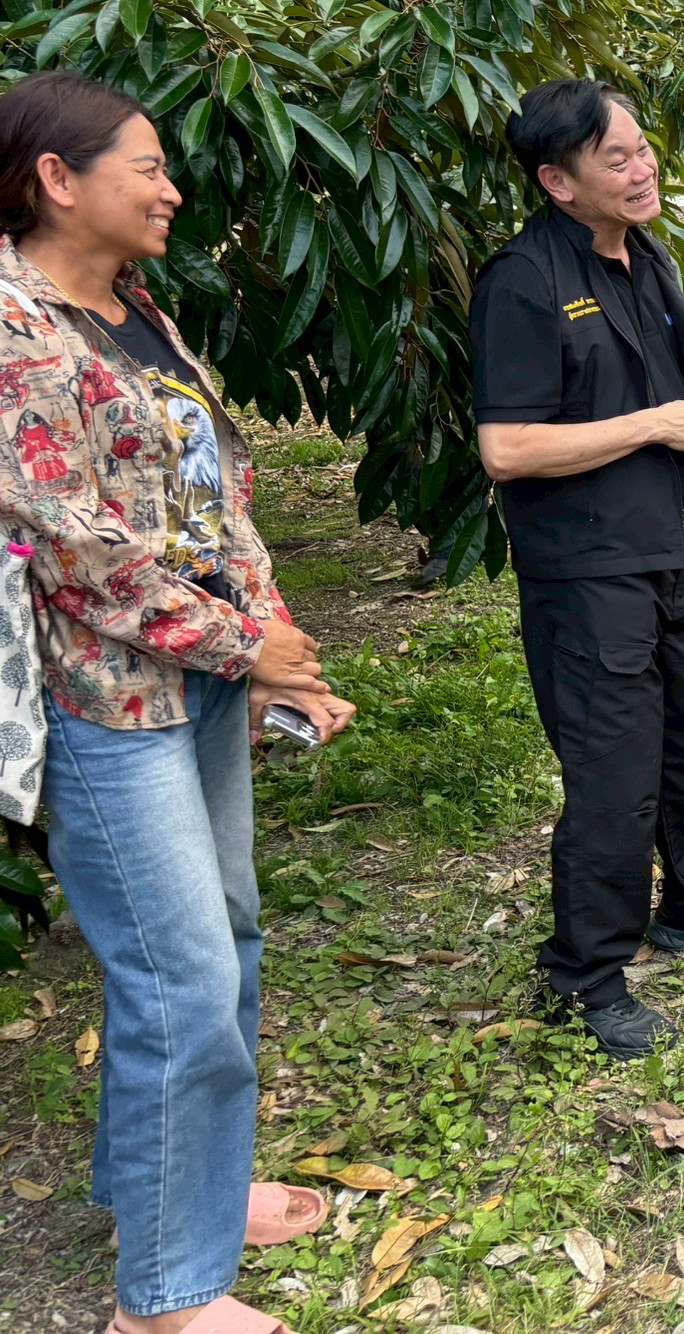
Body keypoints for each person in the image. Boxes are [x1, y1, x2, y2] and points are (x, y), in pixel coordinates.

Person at [0, 71, 356, 1332]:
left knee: (226, 938)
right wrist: (244, 645)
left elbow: (217, 488)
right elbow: (74, 547)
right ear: (57, 176)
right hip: (111, 703)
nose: (171, 187)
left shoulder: (130, 305)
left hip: (203, 676)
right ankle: (162, 1294)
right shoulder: (17, 327)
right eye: (145, 166)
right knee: (180, 980)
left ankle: (174, 1189)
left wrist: (272, 640)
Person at [471, 79, 684, 1059]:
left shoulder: (643, 258)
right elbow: (508, 450)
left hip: (671, 547)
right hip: (588, 572)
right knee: (614, 774)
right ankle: (587, 974)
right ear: (558, 180)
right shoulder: (524, 282)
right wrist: (653, 426)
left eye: (643, 148)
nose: (643, 167)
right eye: (617, 158)